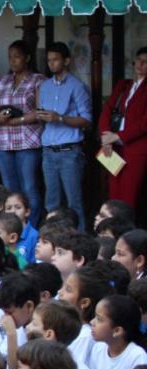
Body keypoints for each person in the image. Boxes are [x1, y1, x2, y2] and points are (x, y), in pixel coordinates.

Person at [37, 42, 92, 231]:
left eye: (55, 60)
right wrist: (41, 116)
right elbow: (42, 113)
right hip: (48, 151)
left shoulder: (78, 86)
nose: (51, 64)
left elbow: (86, 119)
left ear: (66, 61)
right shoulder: (44, 86)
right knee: (51, 202)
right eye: (49, 60)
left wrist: (59, 118)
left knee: (73, 201)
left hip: (69, 151)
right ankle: (52, 241)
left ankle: (81, 241)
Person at [0, 40, 45, 226]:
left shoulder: (37, 80)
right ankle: (13, 226)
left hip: (28, 141)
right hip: (4, 142)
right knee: (10, 189)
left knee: (29, 187)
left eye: (17, 57)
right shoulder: (3, 81)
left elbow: (40, 111)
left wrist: (17, 120)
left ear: (27, 58)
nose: (13, 61)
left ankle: (32, 226)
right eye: (10, 57)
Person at [99, 47, 147, 216]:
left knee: (128, 196)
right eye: (138, 60)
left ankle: (126, 236)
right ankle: (113, 233)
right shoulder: (123, 84)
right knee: (113, 193)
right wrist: (106, 137)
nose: (140, 65)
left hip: (135, 149)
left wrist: (118, 136)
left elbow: (143, 124)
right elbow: (107, 111)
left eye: (145, 62)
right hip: (112, 146)